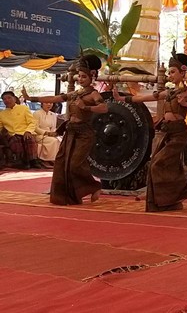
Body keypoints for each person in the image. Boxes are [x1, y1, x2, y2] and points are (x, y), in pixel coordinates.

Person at [114, 53, 187, 212]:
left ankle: (171, 196)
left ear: (183, 72)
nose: (169, 75)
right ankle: (171, 200)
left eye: (173, 72)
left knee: (157, 164)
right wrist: (123, 99)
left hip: (178, 133)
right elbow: (145, 98)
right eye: (169, 72)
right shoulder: (168, 92)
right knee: (163, 165)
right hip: (166, 131)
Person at [22, 55, 108, 205]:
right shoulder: (75, 94)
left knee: (74, 164)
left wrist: (85, 107)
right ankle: (67, 196)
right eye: (79, 76)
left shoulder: (93, 94)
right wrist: (31, 98)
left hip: (84, 134)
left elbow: (104, 108)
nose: (80, 79)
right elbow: (55, 98)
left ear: (92, 76)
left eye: (84, 77)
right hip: (71, 131)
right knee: (62, 163)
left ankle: (94, 186)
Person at [0, 91, 39, 169]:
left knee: (28, 138)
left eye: (9, 98)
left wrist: (28, 131)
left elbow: (32, 122)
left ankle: (33, 160)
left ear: (14, 99)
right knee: (15, 140)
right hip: (12, 134)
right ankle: (22, 162)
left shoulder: (23, 108)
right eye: (4, 99)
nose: (7, 100)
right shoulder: (2, 114)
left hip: (25, 132)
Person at [33, 102, 60, 168]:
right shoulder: (36, 113)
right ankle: (48, 160)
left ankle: (57, 160)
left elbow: (53, 128)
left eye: (50, 103)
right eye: (46, 103)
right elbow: (35, 128)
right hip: (39, 135)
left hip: (50, 135)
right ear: (42, 104)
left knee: (61, 140)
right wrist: (46, 133)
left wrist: (54, 133)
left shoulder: (53, 114)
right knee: (54, 141)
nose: (49, 104)